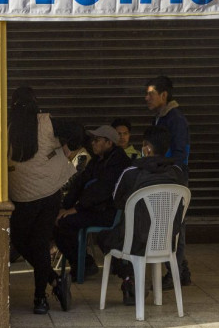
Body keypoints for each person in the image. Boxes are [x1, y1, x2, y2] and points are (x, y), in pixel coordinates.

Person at [5, 87, 78, 315]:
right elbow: (78, 129)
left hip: (22, 195)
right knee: (40, 244)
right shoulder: (46, 122)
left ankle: (53, 283)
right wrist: (66, 149)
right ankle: (41, 298)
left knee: (20, 240)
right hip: (49, 193)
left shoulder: (5, 125)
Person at [99, 126, 189, 305]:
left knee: (104, 238)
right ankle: (133, 279)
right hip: (166, 242)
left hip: (134, 242)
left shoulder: (131, 171)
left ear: (146, 148)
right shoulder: (178, 173)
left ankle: (129, 277)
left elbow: (116, 200)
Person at [53, 124, 130, 286]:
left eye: (97, 140)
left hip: (108, 212)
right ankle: (81, 262)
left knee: (65, 223)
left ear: (109, 143)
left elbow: (101, 191)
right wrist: (65, 206)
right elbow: (79, 184)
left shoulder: (118, 162)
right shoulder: (97, 161)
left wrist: (76, 209)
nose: (93, 143)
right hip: (93, 209)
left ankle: (84, 264)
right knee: (56, 219)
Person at [144, 75, 192, 285]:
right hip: (163, 177)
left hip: (173, 179)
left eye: (151, 94)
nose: (146, 98)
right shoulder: (160, 117)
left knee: (175, 226)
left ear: (164, 95)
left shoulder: (176, 119)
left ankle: (175, 274)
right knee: (168, 226)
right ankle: (180, 271)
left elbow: (181, 154)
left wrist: (167, 171)